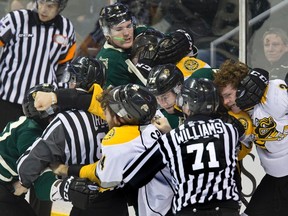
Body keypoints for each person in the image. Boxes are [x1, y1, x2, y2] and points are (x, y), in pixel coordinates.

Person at [64, 78, 244, 216]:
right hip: (229, 209)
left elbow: (133, 177)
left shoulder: (173, 138)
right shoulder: (230, 131)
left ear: (186, 104)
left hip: (190, 211)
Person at [16, 57, 130, 216]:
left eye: (71, 78)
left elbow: (30, 163)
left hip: (85, 199)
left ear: (75, 81)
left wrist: (24, 181)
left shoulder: (65, 120)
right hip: (119, 201)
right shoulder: (117, 112)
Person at [214, 59, 288, 215]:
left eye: (228, 95)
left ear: (243, 86)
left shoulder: (273, 93)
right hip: (274, 178)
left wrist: (260, 76)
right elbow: (243, 149)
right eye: (223, 98)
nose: (226, 102)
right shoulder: (238, 115)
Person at [0, 0, 76, 131]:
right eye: (41, 2)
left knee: (33, 147)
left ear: (60, 7)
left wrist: (60, 98)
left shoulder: (66, 28)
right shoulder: (15, 19)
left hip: (42, 105)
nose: (43, 9)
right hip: (8, 99)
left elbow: (64, 67)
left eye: (50, 6)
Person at [0, 83, 59, 216]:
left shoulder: (31, 125)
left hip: (8, 190)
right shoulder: (30, 131)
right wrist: (64, 188)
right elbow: (38, 173)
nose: (54, 109)